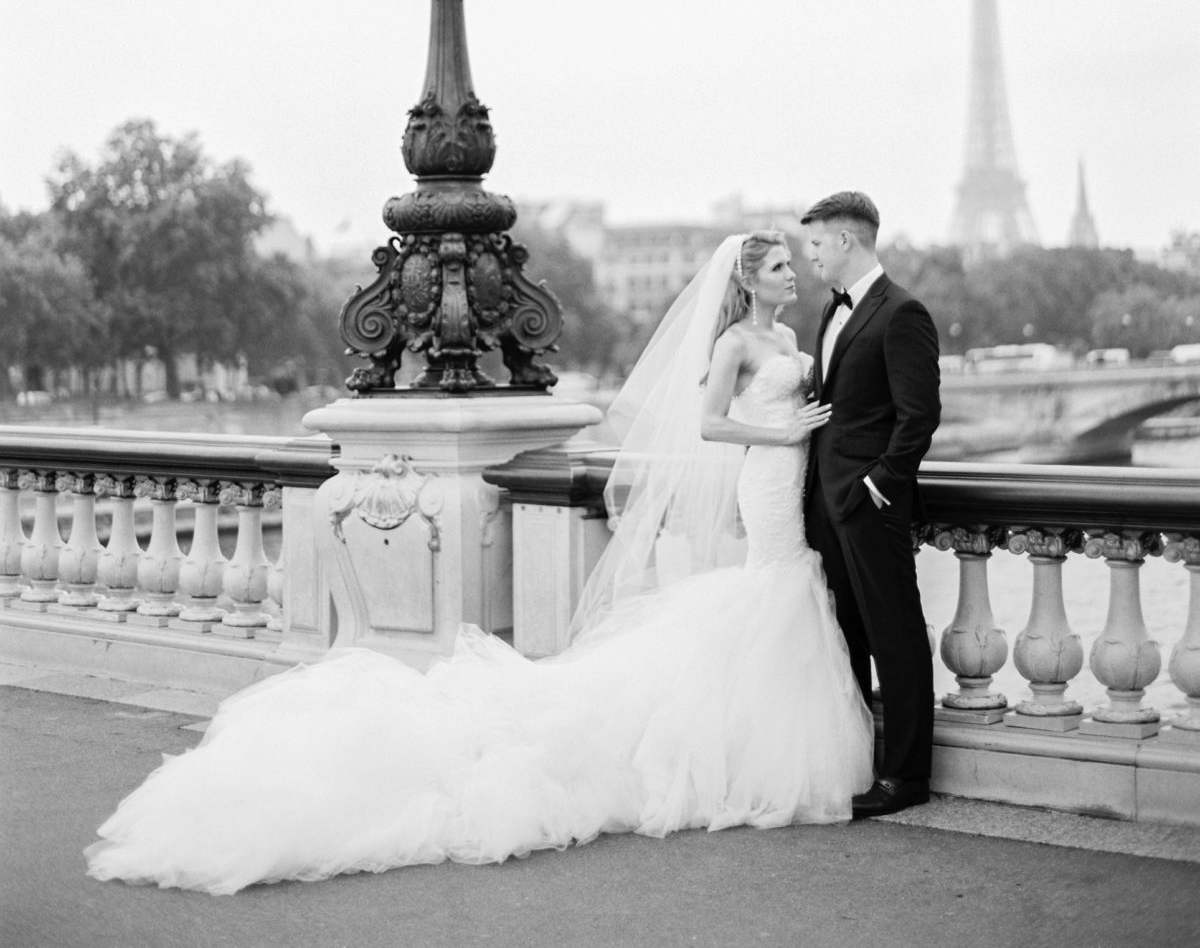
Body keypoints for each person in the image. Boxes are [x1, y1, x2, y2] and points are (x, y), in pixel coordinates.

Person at [86, 231, 874, 894]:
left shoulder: (790, 340)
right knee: (770, 592)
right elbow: (708, 425)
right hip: (768, 477)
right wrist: (782, 435)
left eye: (794, 267)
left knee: (768, 599)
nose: (792, 275)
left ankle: (739, 745)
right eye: (779, 267)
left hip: (788, 480)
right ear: (748, 279)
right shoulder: (736, 341)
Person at [799, 191, 941, 818]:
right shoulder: (829, 312)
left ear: (848, 241)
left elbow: (919, 417)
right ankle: (859, 763)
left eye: (816, 244)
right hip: (824, 504)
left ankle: (905, 777)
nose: (811, 258)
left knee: (896, 638)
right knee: (846, 639)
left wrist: (880, 485)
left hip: (868, 504)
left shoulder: (903, 313)